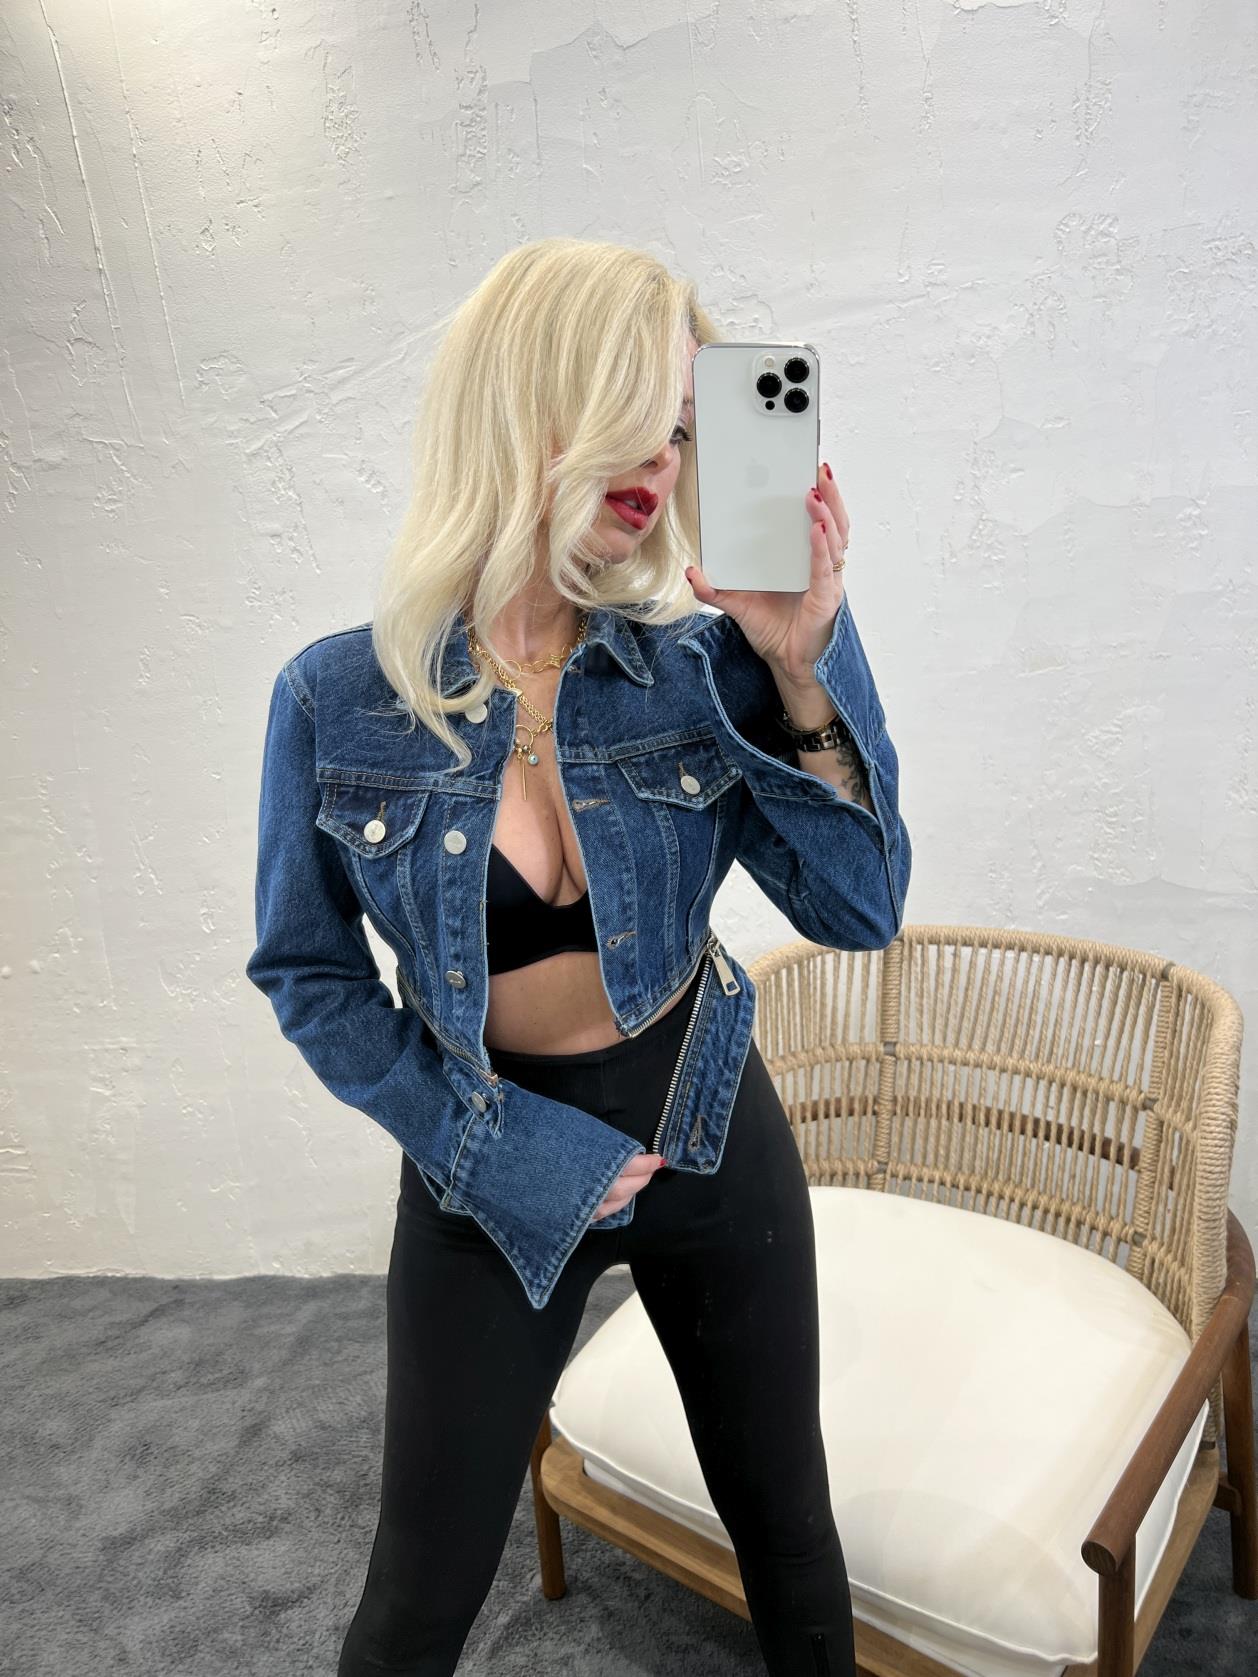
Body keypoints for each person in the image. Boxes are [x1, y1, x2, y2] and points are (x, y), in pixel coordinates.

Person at [247, 238, 910, 1676]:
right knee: (417, 1595)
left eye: (682, 428)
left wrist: (803, 665)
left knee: (788, 1533)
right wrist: (485, 1148)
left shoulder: (698, 667)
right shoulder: (335, 698)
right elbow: (309, 972)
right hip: (482, 1156)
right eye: (632, 413)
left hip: (706, 1123)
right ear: (528, 404)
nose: (664, 461)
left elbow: (859, 906)